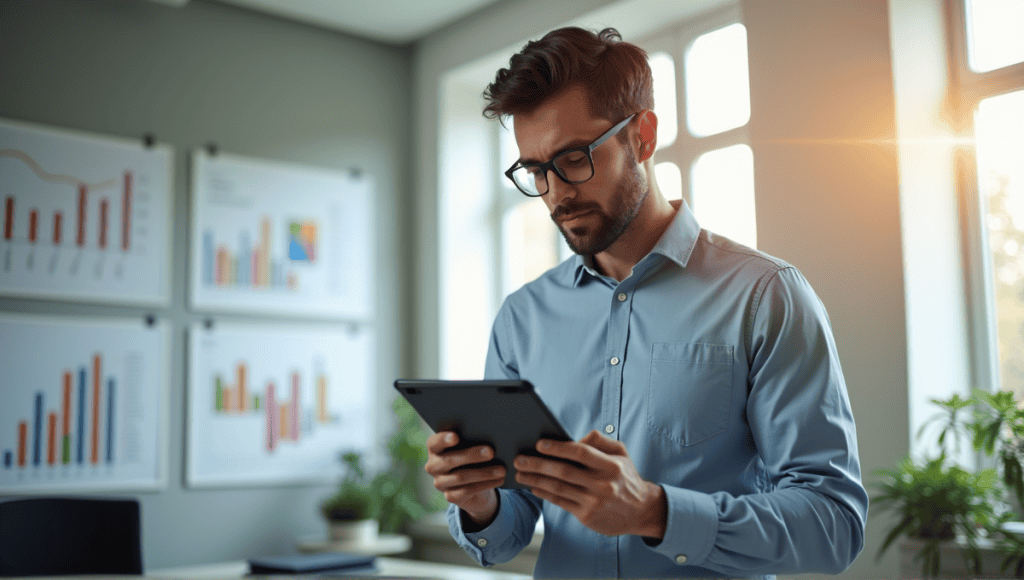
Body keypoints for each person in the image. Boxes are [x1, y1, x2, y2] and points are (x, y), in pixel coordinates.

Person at [423, 26, 868, 579]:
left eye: (574, 158)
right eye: (536, 171)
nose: (557, 194)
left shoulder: (764, 296)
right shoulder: (522, 319)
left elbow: (833, 525)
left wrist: (655, 512)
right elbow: (509, 532)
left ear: (642, 136)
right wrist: (479, 501)